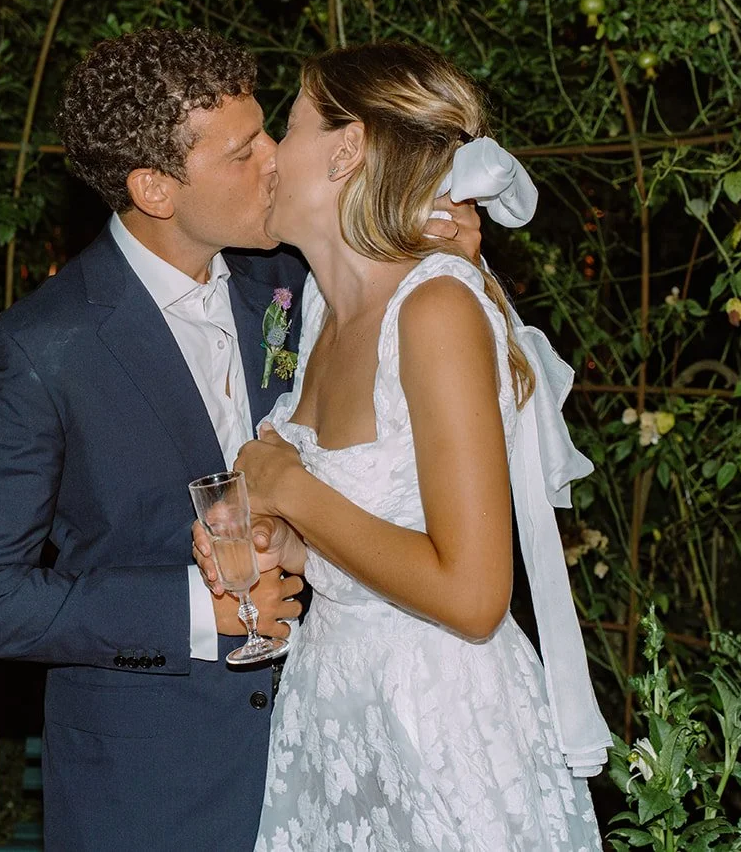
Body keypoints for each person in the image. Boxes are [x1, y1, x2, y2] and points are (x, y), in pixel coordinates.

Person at [0, 29, 480, 850]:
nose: (276, 162)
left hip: (338, 757)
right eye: (243, 151)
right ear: (155, 187)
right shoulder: (48, 346)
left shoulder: (296, 286)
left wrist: (437, 249)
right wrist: (195, 608)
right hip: (151, 792)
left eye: (270, 133)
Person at [194, 41, 611, 850]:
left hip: (440, 723)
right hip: (333, 715)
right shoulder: (318, 308)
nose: (272, 154)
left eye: (288, 125)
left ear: (348, 148)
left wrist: (292, 491)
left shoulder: (437, 309)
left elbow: (474, 593)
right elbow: (365, 532)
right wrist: (288, 544)